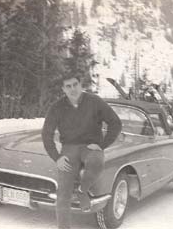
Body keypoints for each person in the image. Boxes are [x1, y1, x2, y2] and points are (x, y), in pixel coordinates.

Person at [42, 72, 122, 229]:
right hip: (69, 149)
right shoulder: (57, 107)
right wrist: (57, 157)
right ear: (63, 89)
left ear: (81, 85)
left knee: (97, 161)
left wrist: (102, 145)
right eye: (68, 86)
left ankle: (82, 190)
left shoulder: (95, 101)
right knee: (63, 193)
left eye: (75, 85)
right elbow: (46, 134)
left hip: (90, 147)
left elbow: (115, 123)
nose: (72, 89)